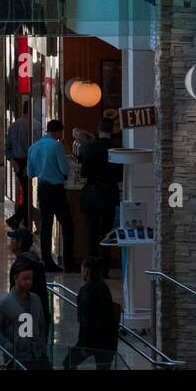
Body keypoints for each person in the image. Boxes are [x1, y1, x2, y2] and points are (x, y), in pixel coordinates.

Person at [27, 118, 74, 273]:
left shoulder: (34, 147)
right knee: (67, 225)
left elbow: (30, 172)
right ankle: (69, 262)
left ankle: (47, 261)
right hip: (56, 189)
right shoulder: (57, 146)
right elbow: (65, 170)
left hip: (42, 188)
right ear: (57, 131)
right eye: (61, 131)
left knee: (46, 226)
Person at [80, 116, 123, 277]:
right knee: (106, 233)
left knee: (91, 232)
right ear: (112, 130)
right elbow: (120, 176)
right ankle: (104, 269)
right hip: (109, 194)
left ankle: (91, 268)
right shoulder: (116, 148)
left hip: (92, 193)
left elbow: (84, 172)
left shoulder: (89, 147)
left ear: (98, 129)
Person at [0, 260, 50, 369]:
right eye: (24, 279)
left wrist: (42, 345)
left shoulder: (36, 300)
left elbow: (41, 325)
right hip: (17, 358)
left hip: (38, 356)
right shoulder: (5, 303)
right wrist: (7, 345)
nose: (28, 282)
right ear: (15, 278)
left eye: (30, 279)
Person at [63, 257, 120, 370]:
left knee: (68, 363)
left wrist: (84, 345)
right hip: (109, 342)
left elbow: (86, 321)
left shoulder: (86, 291)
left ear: (87, 271)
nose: (81, 272)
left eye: (82, 269)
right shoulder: (104, 288)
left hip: (92, 342)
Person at [7, 227, 50, 322]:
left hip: (26, 318)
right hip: (39, 315)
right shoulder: (35, 260)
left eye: (13, 239)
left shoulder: (21, 266)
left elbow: (16, 295)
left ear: (20, 243)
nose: (10, 242)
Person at [5, 99, 34, 229]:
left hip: (17, 162)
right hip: (28, 162)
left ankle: (18, 219)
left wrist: (13, 161)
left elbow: (7, 147)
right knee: (29, 195)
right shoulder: (34, 125)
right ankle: (20, 220)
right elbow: (34, 148)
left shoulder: (13, 125)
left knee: (27, 193)